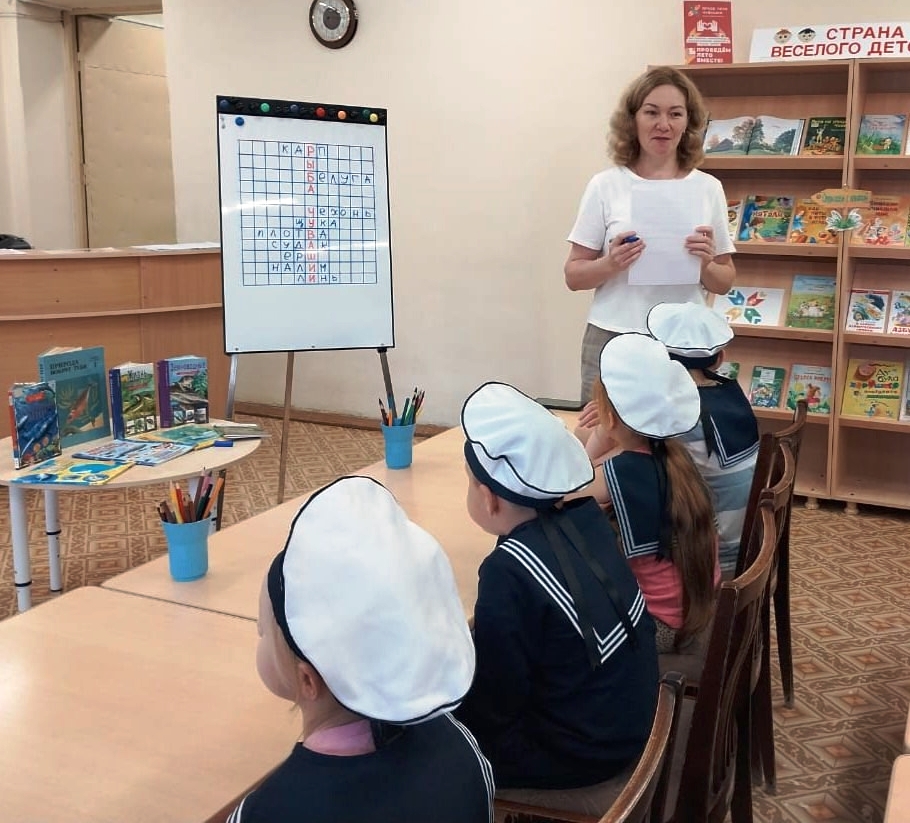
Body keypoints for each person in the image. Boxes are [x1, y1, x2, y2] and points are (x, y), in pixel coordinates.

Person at [227, 475, 494, 823]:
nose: (260, 634)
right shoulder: (462, 747)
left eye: (263, 630)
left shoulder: (265, 810)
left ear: (308, 681)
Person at [454, 381, 658, 795]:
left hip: (581, 752)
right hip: (630, 718)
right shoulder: (586, 516)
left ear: (489, 498)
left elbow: (495, 704)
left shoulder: (507, 572)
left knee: (424, 740)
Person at [564, 65, 737, 405]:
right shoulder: (605, 185)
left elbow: (724, 281)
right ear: (633, 119)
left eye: (675, 114)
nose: (663, 124)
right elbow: (573, 276)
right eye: (651, 112)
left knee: (680, 437)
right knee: (602, 434)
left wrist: (705, 264)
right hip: (612, 336)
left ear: (689, 122)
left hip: (684, 343)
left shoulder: (707, 188)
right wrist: (611, 263)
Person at [581, 333, 719, 654]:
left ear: (609, 418)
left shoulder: (622, 471)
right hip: (699, 608)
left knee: (561, 612)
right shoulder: (675, 455)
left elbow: (563, 495)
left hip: (659, 627)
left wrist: (597, 440)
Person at [647, 302, 759, 577]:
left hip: (713, 559)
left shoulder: (676, 411)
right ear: (720, 358)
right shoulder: (731, 394)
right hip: (750, 543)